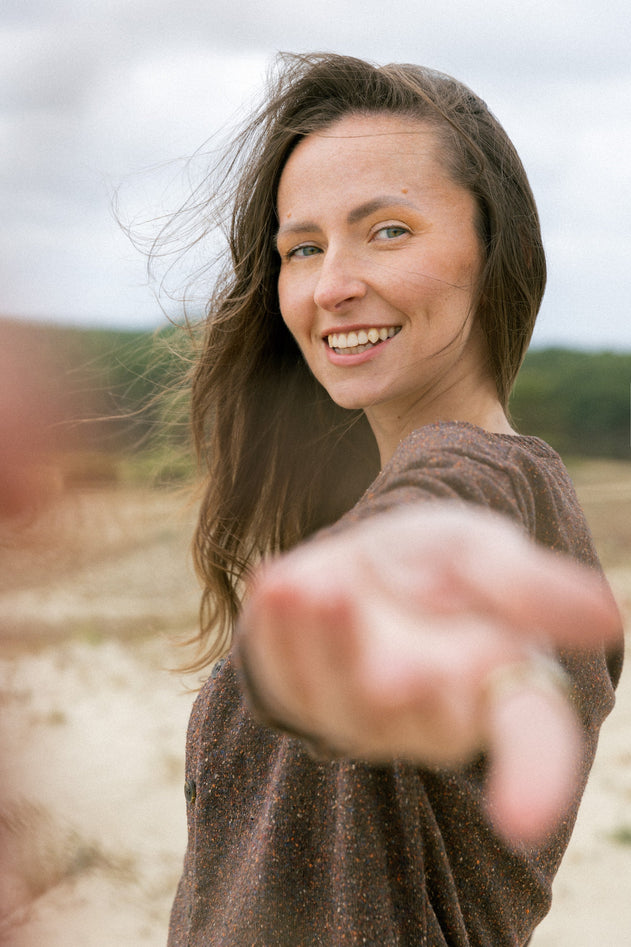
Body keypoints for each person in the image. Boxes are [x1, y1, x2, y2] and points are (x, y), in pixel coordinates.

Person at [167, 53, 623, 946]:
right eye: (302, 247)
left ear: (494, 250)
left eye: (386, 231)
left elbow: (446, 502)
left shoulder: (489, 483)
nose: (329, 284)